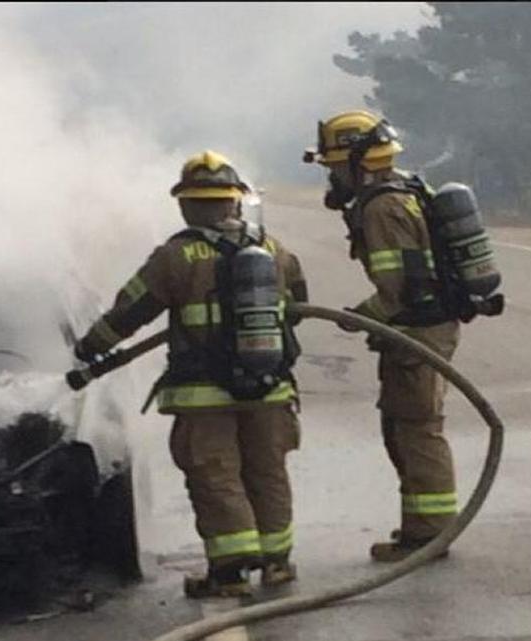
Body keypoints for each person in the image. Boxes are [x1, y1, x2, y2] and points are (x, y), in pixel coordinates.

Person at [74, 151, 307, 597]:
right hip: (270, 388)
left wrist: (89, 347)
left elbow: (129, 313)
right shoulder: (274, 249)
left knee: (216, 475)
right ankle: (278, 564)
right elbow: (298, 305)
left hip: (205, 395)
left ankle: (230, 573)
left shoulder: (175, 256)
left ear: (186, 204)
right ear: (235, 202)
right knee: (267, 471)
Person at [304, 110, 459, 562]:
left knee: (416, 431)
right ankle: (422, 530)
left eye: (335, 166)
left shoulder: (383, 207)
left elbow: (398, 290)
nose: (333, 176)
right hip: (419, 330)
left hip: (418, 333)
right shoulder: (405, 190)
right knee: (402, 427)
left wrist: (356, 317)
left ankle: (429, 534)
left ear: (359, 161)